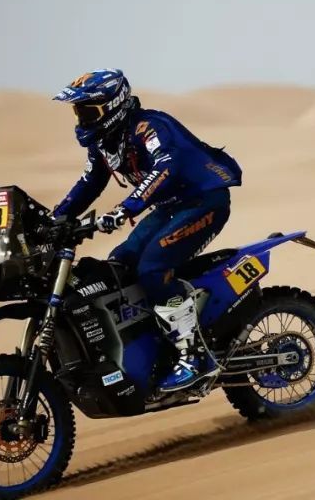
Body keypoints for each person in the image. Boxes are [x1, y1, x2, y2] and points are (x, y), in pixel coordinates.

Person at [50, 69, 242, 392]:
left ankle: (193, 356)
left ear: (113, 106)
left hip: (204, 201)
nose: (82, 119)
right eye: (79, 112)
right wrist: (54, 220)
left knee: (153, 267)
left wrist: (127, 208)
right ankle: (157, 342)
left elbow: (166, 166)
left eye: (88, 111)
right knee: (119, 264)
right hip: (172, 207)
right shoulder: (104, 143)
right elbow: (89, 183)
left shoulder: (149, 127)